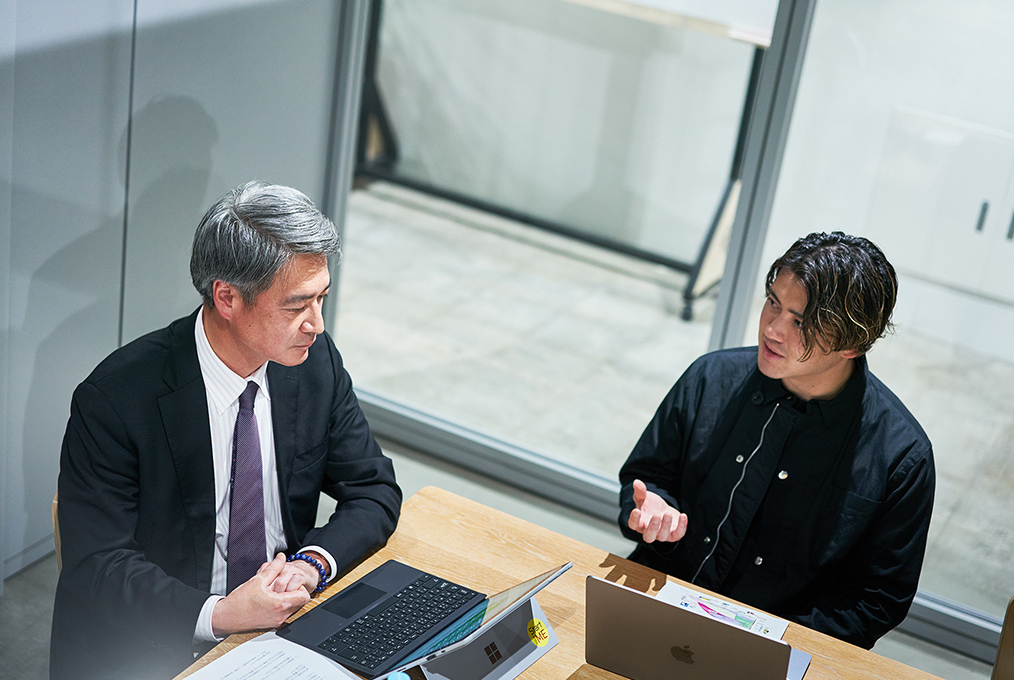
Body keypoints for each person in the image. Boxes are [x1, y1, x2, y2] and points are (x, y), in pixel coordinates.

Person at [50, 181, 402, 679]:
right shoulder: (115, 401)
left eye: (321, 299)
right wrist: (223, 614)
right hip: (157, 642)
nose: (317, 325)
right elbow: (98, 568)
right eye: (297, 305)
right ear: (228, 298)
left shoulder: (313, 363)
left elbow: (373, 489)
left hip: (284, 628)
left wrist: (309, 566)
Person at [618, 231, 934, 649]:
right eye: (772, 303)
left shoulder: (901, 457)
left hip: (775, 656)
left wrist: (771, 645)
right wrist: (652, 510)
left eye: (800, 321)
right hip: (658, 608)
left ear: (853, 344)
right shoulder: (710, 378)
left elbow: (877, 600)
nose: (773, 329)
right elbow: (645, 478)